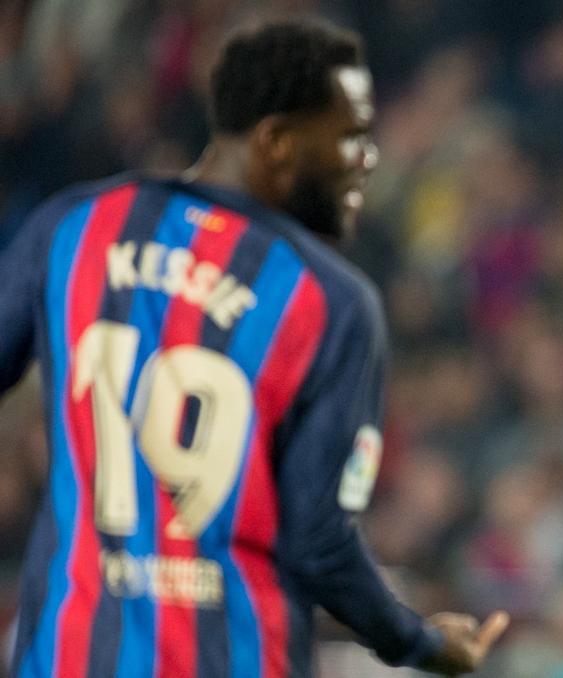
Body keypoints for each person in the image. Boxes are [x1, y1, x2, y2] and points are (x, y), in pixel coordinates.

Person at [0, 18, 507, 677]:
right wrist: (419, 642)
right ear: (276, 141)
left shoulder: (73, 227)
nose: (367, 157)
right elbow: (319, 544)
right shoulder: (327, 301)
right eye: (349, 134)